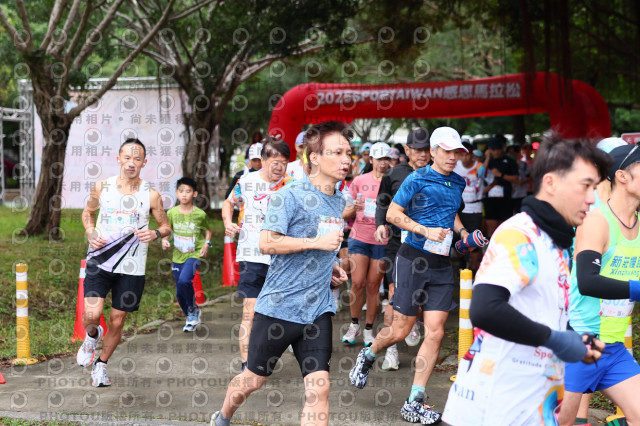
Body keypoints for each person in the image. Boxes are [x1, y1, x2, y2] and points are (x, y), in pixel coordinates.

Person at [442, 134, 608, 425]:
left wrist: (574, 337)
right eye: (585, 186)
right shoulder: (520, 234)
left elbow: (542, 310)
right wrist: (556, 339)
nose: (592, 198)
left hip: (531, 407)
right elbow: (484, 309)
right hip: (491, 410)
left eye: (595, 187)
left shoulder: (556, 242)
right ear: (551, 182)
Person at [210, 121, 351, 426]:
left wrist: (331, 265)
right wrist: (317, 243)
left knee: (320, 389)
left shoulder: (339, 200)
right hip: (279, 308)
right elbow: (267, 242)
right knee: (253, 379)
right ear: (315, 157)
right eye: (337, 152)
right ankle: (222, 418)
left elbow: (321, 243)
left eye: (348, 153)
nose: (346, 160)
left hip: (317, 309)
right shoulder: (289, 195)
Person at [349, 126, 470, 425]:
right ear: (433, 151)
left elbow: (451, 211)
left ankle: (414, 400)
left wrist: (464, 232)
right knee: (401, 330)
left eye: (456, 152)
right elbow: (392, 214)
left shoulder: (458, 182)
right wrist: (424, 230)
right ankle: (369, 353)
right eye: (447, 151)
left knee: (436, 332)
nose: (453, 157)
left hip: (441, 264)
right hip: (413, 260)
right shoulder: (416, 178)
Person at [77, 138, 171, 387]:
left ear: (144, 162)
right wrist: (90, 231)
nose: (131, 163)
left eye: (137, 159)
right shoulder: (102, 187)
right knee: (92, 314)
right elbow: (88, 213)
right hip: (100, 259)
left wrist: (155, 233)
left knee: (118, 320)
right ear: (118, 159)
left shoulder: (151, 195)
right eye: (127, 158)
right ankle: (92, 335)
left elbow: (165, 226)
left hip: (132, 266)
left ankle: (101, 365)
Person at [558, 143, 640, 426]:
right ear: (622, 176)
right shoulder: (597, 220)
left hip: (613, 348)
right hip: (579, 343)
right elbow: (588, 281)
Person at [221, 137, 293, 371]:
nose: (279, 167)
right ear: (262, 160)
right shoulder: (246, 182)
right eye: (274, 162)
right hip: (252, 255)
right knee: (250, 311)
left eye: (284, 162)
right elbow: (228, 203)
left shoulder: (292, 185)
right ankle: (247, 364)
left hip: (282, 257)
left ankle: (266, 354)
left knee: (276, 313)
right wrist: (228, 223)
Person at [374, 128, 431, 371]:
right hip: (398, 243)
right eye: (417, 150)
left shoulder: (437, 174)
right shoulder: (394, 173)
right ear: (407, 150)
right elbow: (382, 201)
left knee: (420, 293)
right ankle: (391, 351)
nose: (422, 154)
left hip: (427, 243)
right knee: (394, 294)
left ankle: (413, 319)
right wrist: (380, 224)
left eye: (426, 149)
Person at [341, 142, 391, 347]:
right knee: (357, 282)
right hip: (359, 236)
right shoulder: (360, 180)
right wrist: (354, 208)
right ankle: (354, 325)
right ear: (371, 160)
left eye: (385, 159)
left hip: (382, 240)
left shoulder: (394, 181)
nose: (382, 163)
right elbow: (344, 213)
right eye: (378, 159)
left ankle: (369, 328)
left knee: (373, 285)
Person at [162, 177, 212, 332]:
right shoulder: (171, 213)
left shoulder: (200, 214)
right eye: (181, 191)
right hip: (178, 256)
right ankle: (191, 312)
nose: (184, 194)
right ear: (176, 193)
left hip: (194, 254)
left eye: (188, 191)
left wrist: (206, 244)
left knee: (185, 280)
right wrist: (164, 240)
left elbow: (208, 230)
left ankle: (191, 311)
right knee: (179, 293)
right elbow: (166, 229)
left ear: (195, 194)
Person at [454, 140, 487, 273]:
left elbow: (491, 180)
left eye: (467, 155)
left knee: (474, 240)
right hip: (459, 208)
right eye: (461, 155)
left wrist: (481, 192)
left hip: (475, 207)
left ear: (472, 155)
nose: (465, 158)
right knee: (458, 239)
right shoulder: (454, 166)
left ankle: (473, 269)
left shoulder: (480, 167)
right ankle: (462, 264)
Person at [483, 136, 519, 237]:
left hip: (505, 198)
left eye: (498, 149)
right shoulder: (486, 161)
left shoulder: (510, 161)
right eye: (493, 149)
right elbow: (479, 174)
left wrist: (500, 175)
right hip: (489, 199)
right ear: (489, 149)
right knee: (491, 229)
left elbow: (516, 179)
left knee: (504, 228)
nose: (496, 152)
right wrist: (487, 158)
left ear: (502, 148)